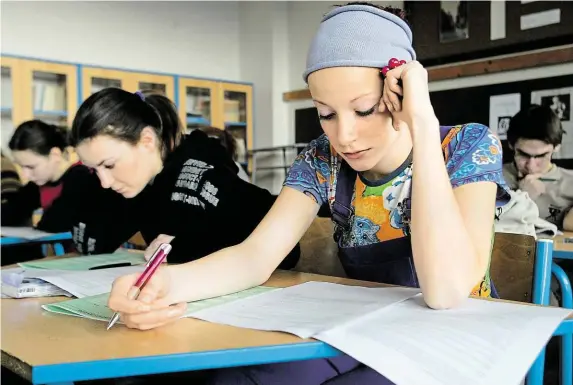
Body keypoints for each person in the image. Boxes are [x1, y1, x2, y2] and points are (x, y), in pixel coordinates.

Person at [106, 3, 509, 384]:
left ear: (400, 92)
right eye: (326, 113)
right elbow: (255, 256)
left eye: (364, 109)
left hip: (453, 343)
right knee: (235, 380)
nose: (343, 136)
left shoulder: (467, 147)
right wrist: (165, 285)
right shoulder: (323, 158)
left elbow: (443, 292)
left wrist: (422, 122)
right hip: (367, 330)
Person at [70, 88, 300, 268]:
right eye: (94, 169)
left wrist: (183, 248)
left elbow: (285, 252)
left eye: (109, 165)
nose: (105, 181)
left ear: (147, 141)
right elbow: (95, 242)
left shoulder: (199, 170)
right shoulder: (140, 182)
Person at [1, 120, 98, 233]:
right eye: (21, 167)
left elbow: (56, 220)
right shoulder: (39, 184)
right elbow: (12, 211)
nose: (25, 175)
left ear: (55, 155)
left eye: (31, 167)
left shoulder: (82, 176)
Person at [502, 104, 573, 230]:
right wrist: (523, 195)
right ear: (511, 145)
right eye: (523, 154)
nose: (531, 166)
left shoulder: (570, 182)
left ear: (556, 147)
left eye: (541, 156)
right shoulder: (491, 178)